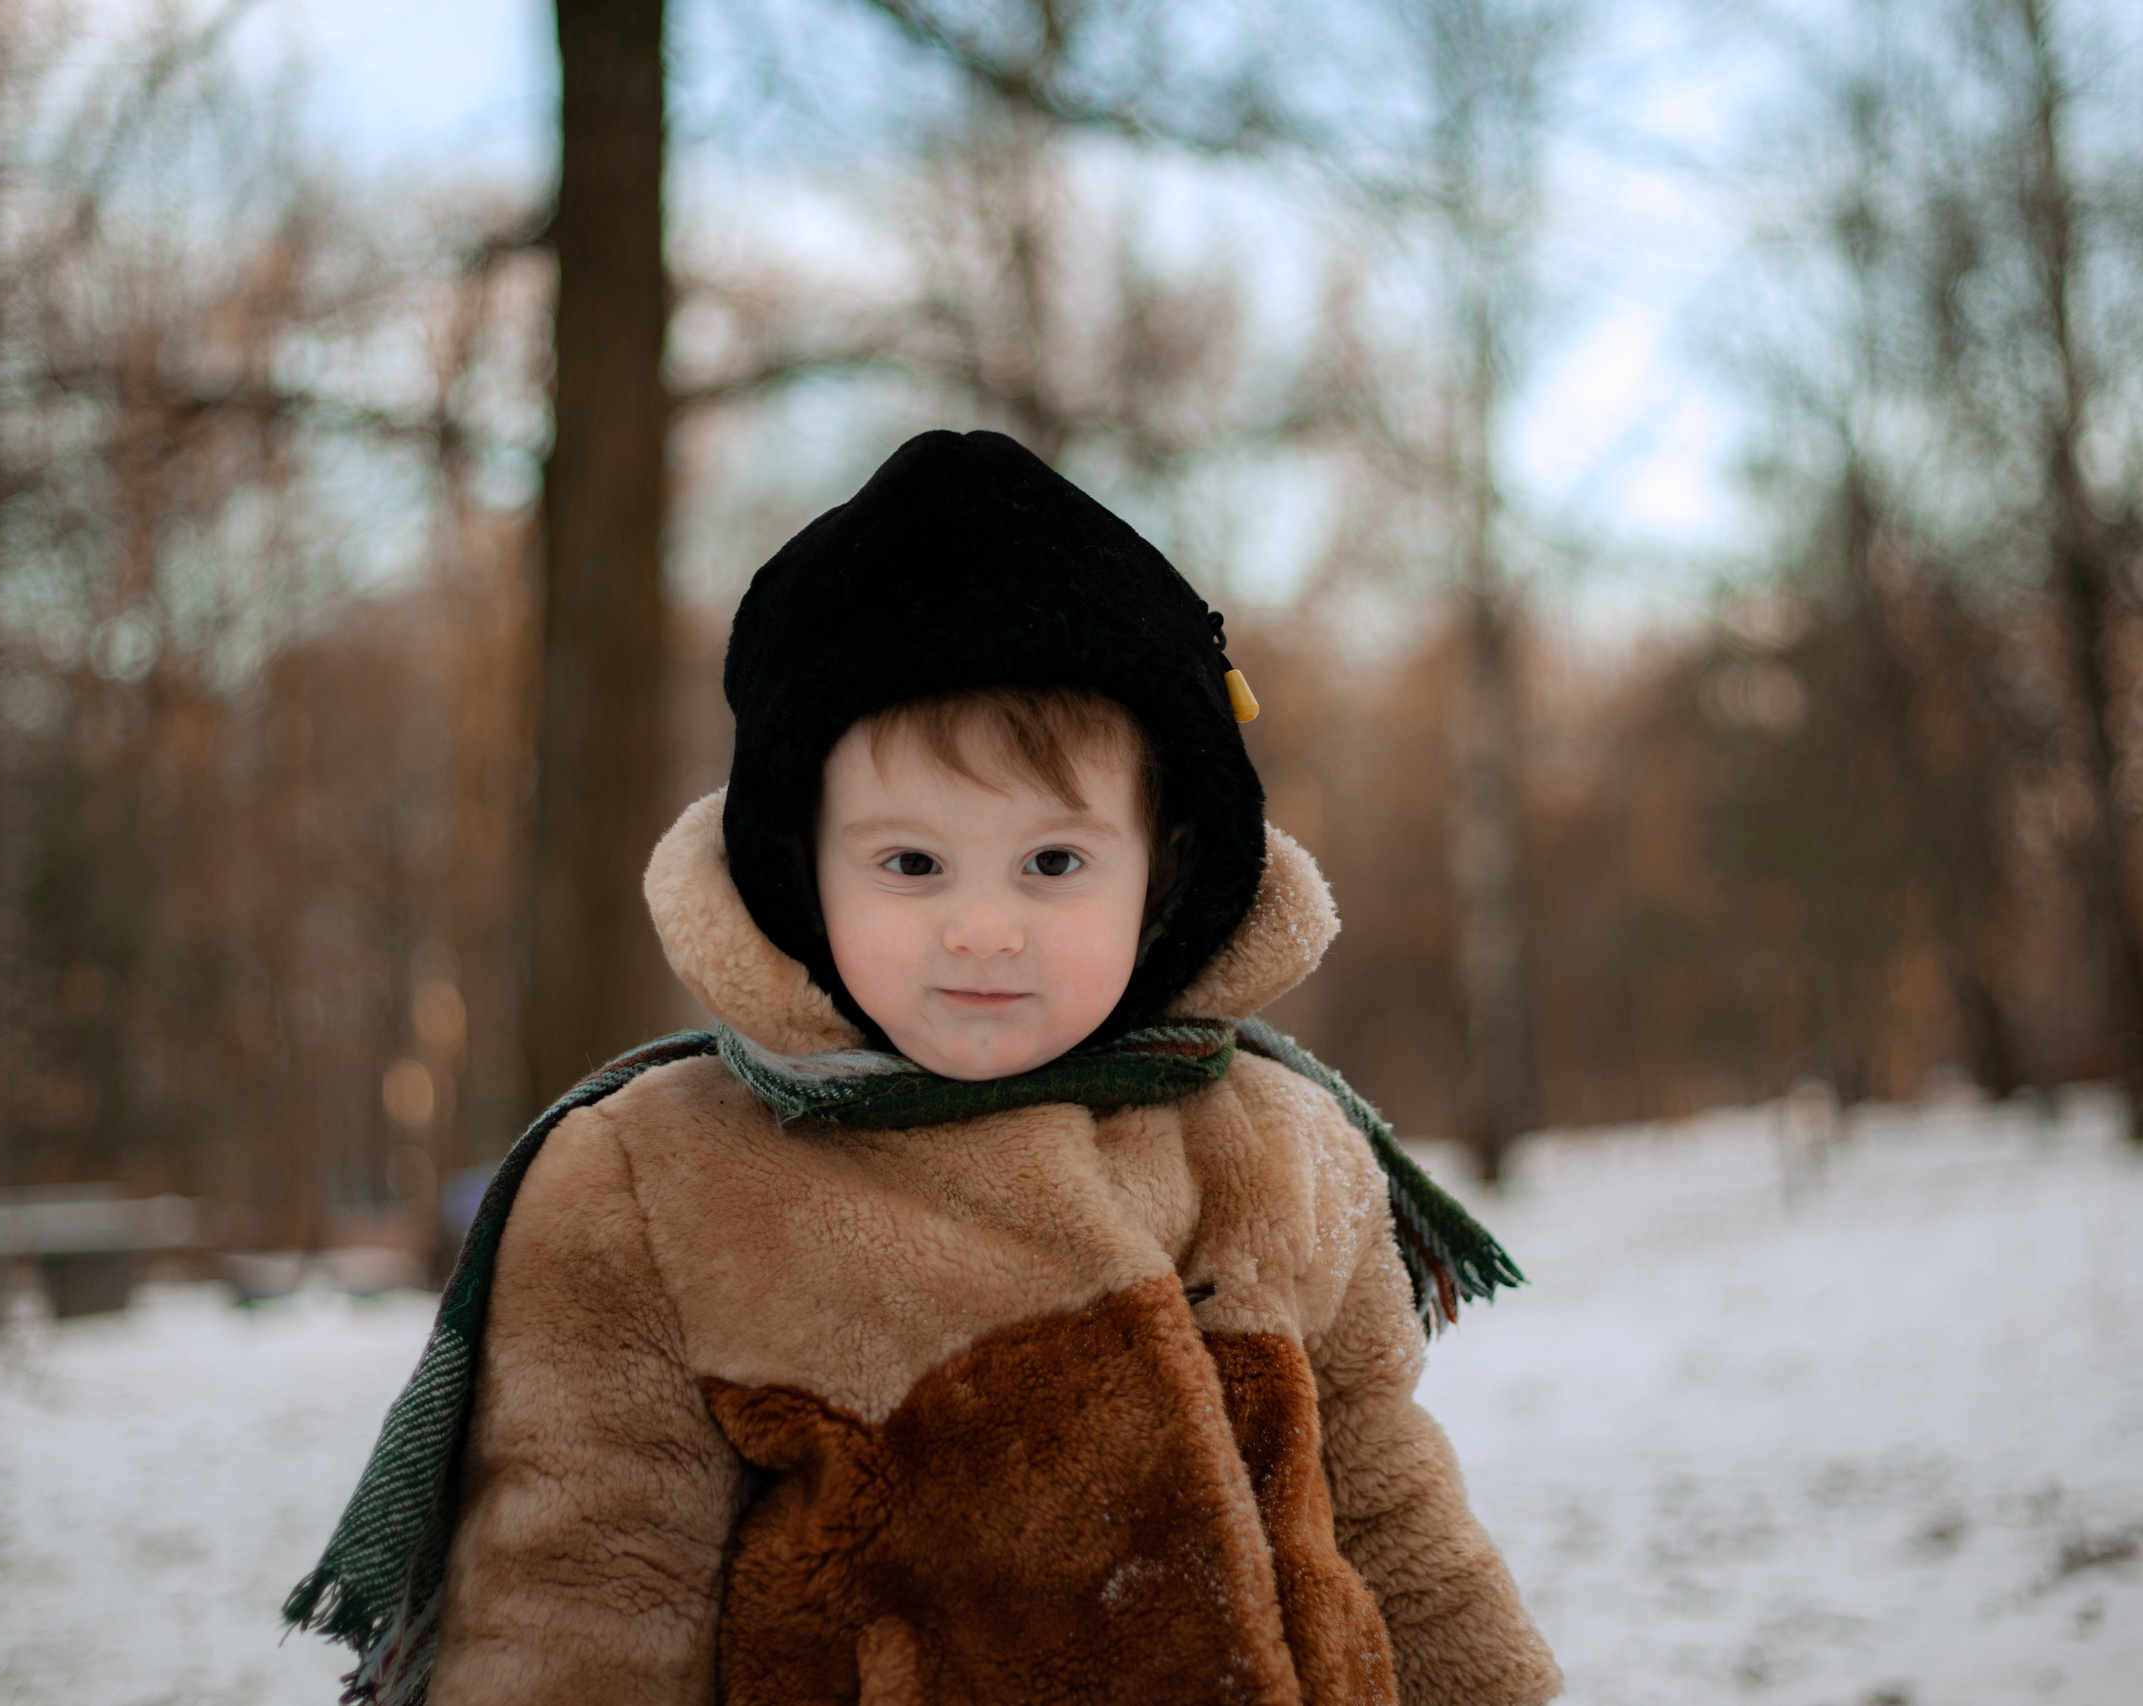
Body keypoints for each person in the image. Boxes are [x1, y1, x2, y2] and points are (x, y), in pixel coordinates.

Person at [287, 430, 1560, 1706]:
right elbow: (582, 1595)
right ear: (801, 869)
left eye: (1053, 862)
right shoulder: (658, 1180)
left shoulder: (1274, 1141)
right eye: (911, 864)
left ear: (1162, 872)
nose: (985, 926)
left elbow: (1393, 1508)